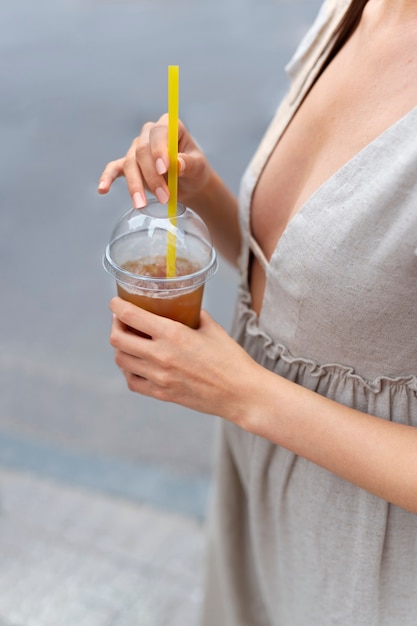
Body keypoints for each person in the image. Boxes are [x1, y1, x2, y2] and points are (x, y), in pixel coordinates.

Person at [97, 0, 417, 624]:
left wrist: (244, 393)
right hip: (269, 508)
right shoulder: (358, 11)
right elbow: (311, 284)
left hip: (376, 566)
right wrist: (203, 190)